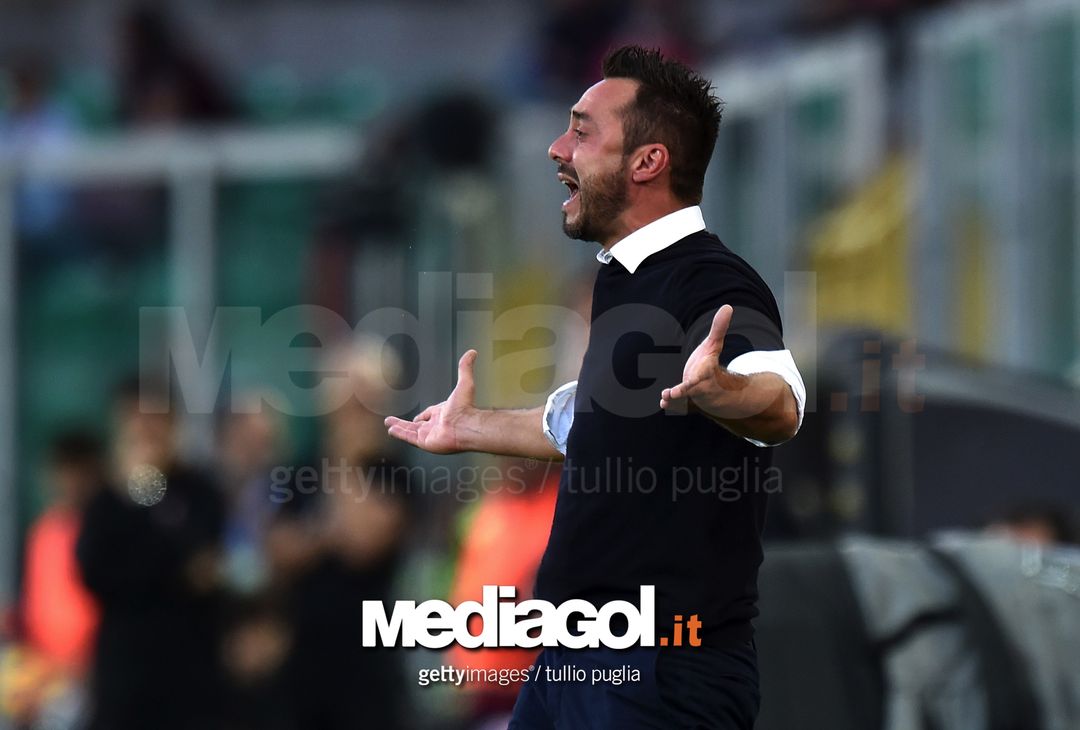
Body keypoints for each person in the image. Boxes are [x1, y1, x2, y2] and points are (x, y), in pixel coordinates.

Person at [385, 46, 805, 729]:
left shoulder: (711, 279)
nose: (557, 149)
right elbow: (590, 424)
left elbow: (781, 401)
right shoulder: (625, 279)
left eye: (582, 133)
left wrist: (721, 388)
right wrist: (470, 430)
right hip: (579, 660)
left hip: (662, 667)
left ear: (647, 163)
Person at [76, 379, 227, 730]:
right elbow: (96, 573)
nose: (145, 431)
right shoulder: (105, 500)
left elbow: (198, 565)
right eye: (134, 420)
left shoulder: (200, 492)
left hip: (188, 678)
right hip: (124, 676)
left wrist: (146, 488)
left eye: (154, 419)